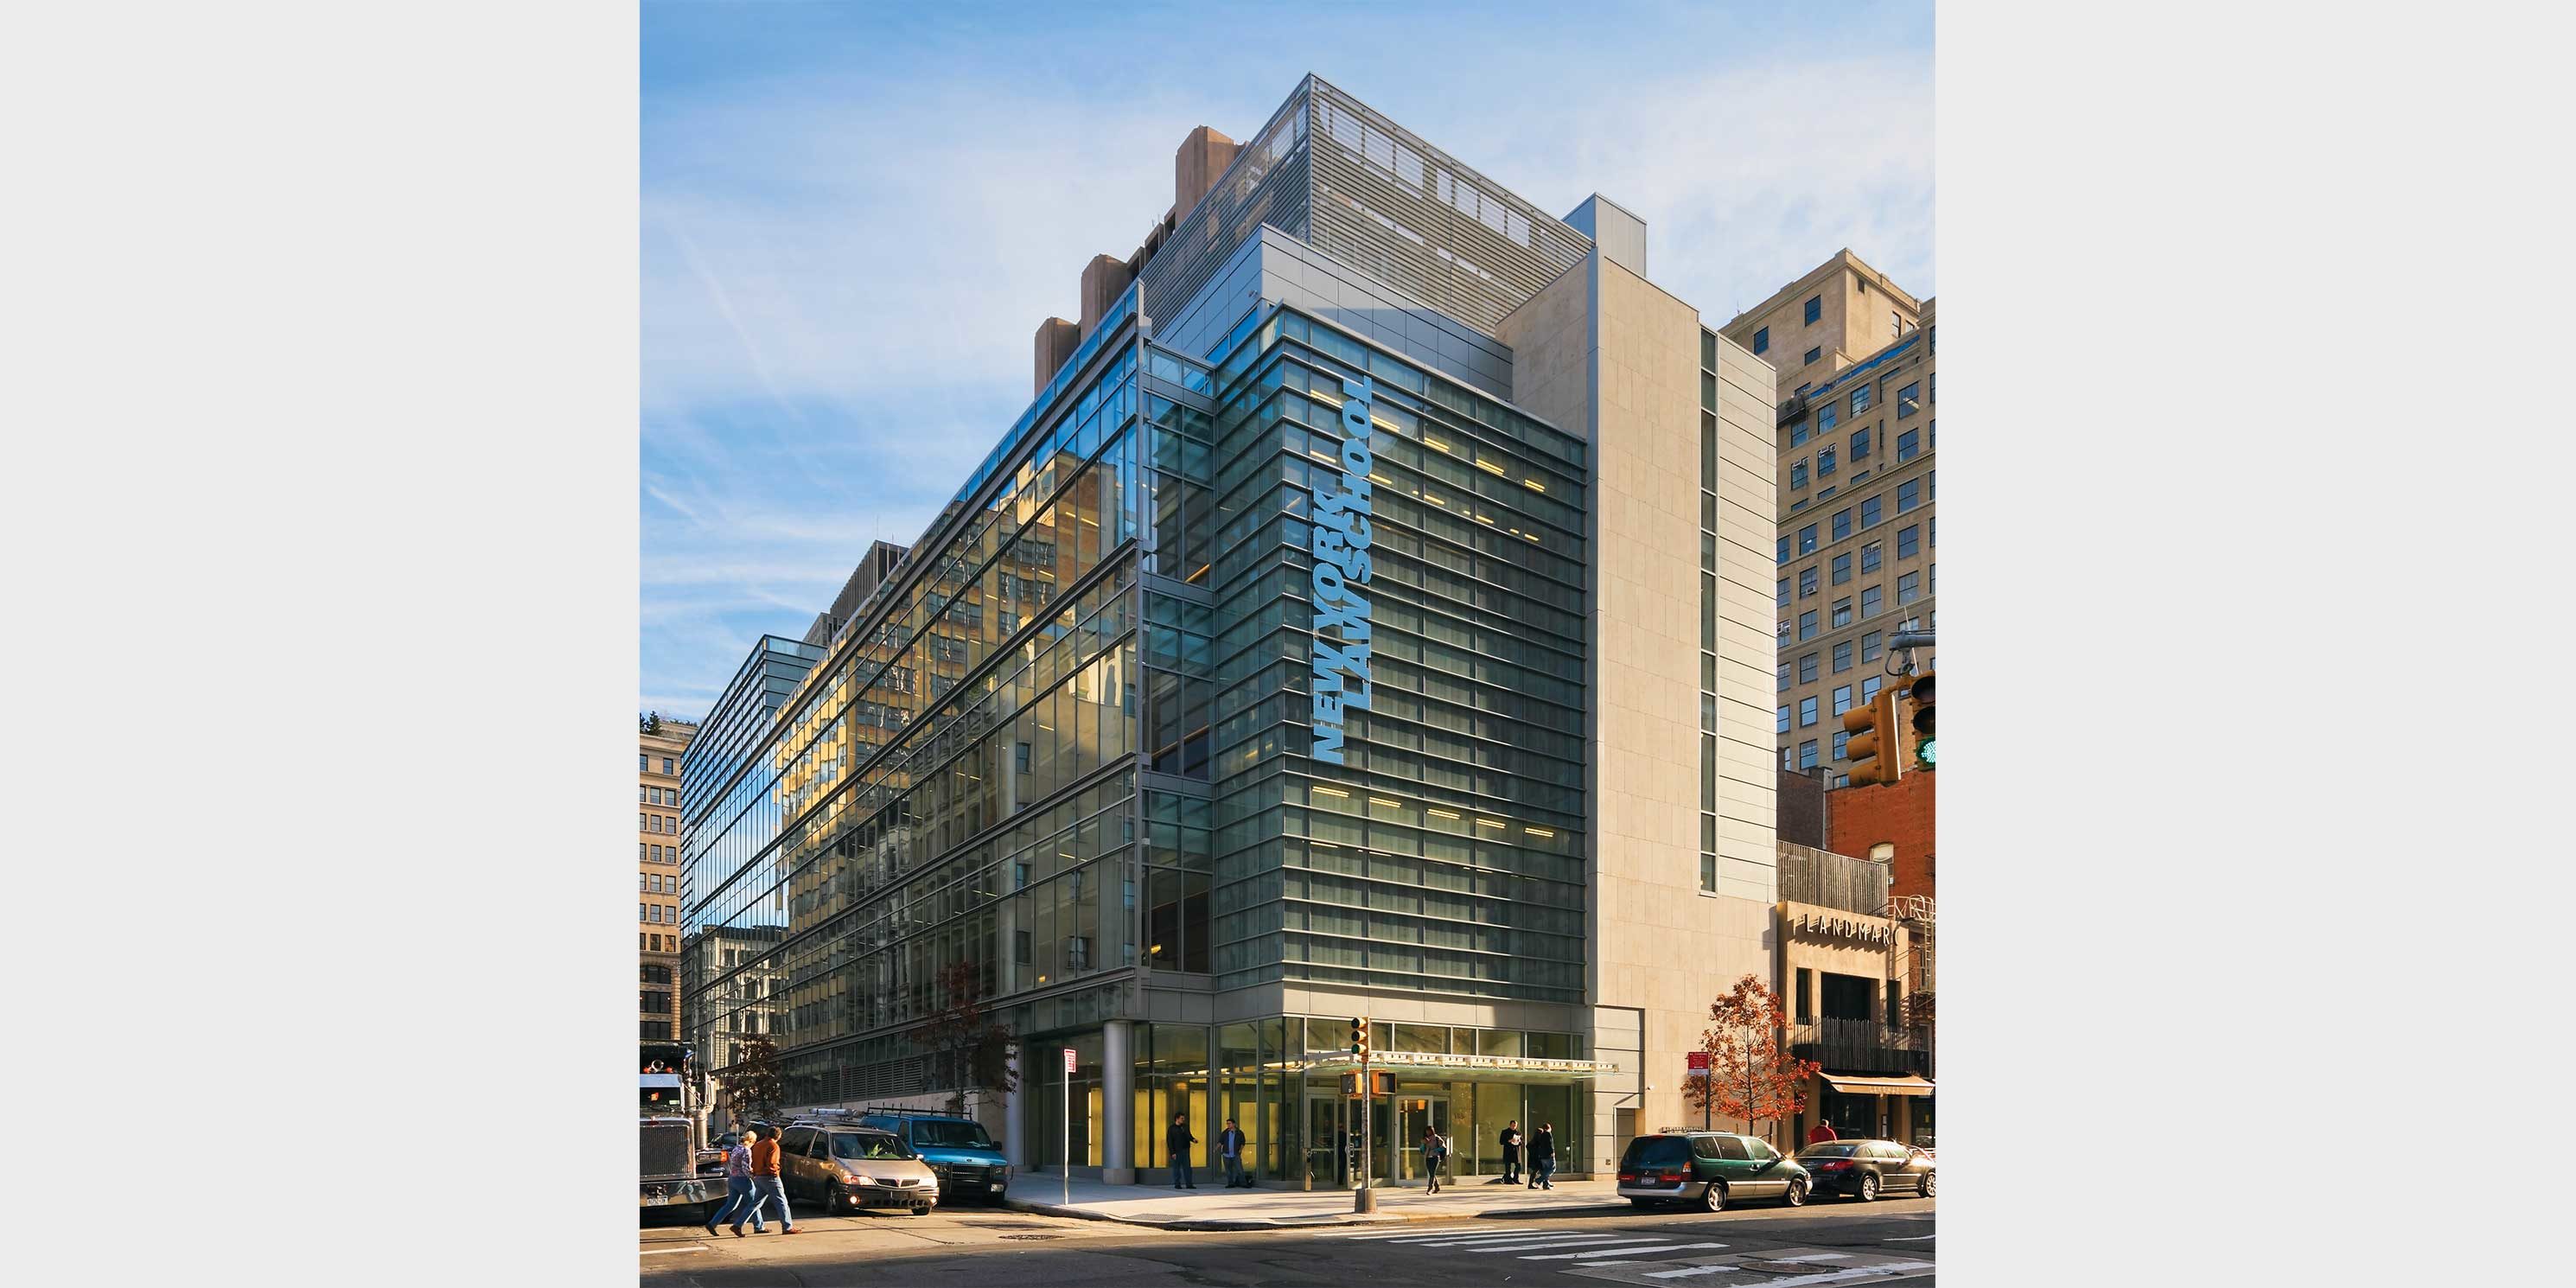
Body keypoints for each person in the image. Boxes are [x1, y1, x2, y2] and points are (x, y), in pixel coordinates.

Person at [742, 1125, 798, 1235]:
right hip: (770, 1177)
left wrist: (756, 1172)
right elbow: (772, 1163)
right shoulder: (774, 1146)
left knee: (755, 1203)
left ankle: (738, 1224)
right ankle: (787, 1227)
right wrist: (776, 1172)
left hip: (758, 1176)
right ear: (779, 1136)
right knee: (782, 1202)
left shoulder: (758, 1145)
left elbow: (753, 1161)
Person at [705, 1130, 756, 1237]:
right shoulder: (746, 1151)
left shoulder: (736, 1148)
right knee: (754, 1202)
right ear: (751, 1141)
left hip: (732, 1178)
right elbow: (745, 1167)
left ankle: (713, 1223)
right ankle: (751, 1226)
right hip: (742, 1179)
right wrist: (752, 1176)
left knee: (730, 1204)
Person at [1167, 1113, 1199, 1189]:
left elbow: (1189, 1135)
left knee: (1187, 1168)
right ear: (1177, 1119)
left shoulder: (1185, 1127)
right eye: (1182, 1118)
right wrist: (1172, 1152)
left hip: (1185, 1150)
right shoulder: (1172, 1128)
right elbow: (1170, 1141)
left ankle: (1189, 1184)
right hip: (1176, 1151)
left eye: (1183, 1118)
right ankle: (1177, 1184)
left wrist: (1193, 1139)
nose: (1183, 1120)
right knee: (1176, 1169)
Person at [1218, 1119, 1250, 1189]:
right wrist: (1216, 1148)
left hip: (1235, 1154)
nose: (1228, 1125)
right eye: (1227, 1124)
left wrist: (1240, 1150)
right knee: (1228, 1170)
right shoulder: (1225, 1132)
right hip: (1226, 1154)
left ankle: (1244, 1183)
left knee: (1239, 1169)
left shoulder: (1239, 1133)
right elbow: (1221, 1141)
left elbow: (1242, 1142)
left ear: (1234, 1124)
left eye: (1229, 1123)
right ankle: (1231, 1183)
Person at [1526, 1122, 1556, 1190]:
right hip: (1537, 1159)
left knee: (1542, 1171)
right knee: (1546, 1170)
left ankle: (1546, 1183)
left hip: (1536, 1158)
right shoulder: (1539, 1141)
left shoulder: (1534, 1141)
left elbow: (1528, 1146)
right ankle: (1538, 1182)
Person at [1421, 1125, 1448, 1194]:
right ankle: (1437, 1187)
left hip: (1435, 1157)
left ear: (1432, 1131)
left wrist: (1435, 1150)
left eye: (1429, 1131)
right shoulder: (1425, 1139)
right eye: (1426, 1131)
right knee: (1431, 1173)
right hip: (1427, 1157)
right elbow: (1422, 1150)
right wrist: (1424, 1144)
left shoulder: (1437, 1138)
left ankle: (1430, 1188)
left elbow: (1443, 1147)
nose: (1428, 1132)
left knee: (1432, 1173)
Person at [1496, 1120, 1523, 1184]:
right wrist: (1509, 1140)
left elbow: (1522, 1142)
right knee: (1508, 1167)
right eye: (1513, 1125)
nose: (1514, 1127)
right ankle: (1508, 1179)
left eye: (1515, 1126)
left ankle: (1515, 1178)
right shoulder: (1505, 1132)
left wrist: (1519, 1141)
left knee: (1518, 1166)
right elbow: (1501, 1142)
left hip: (1516, 1151)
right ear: (1510, 1125)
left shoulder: (1518, 1132)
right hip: (1508, 1151)